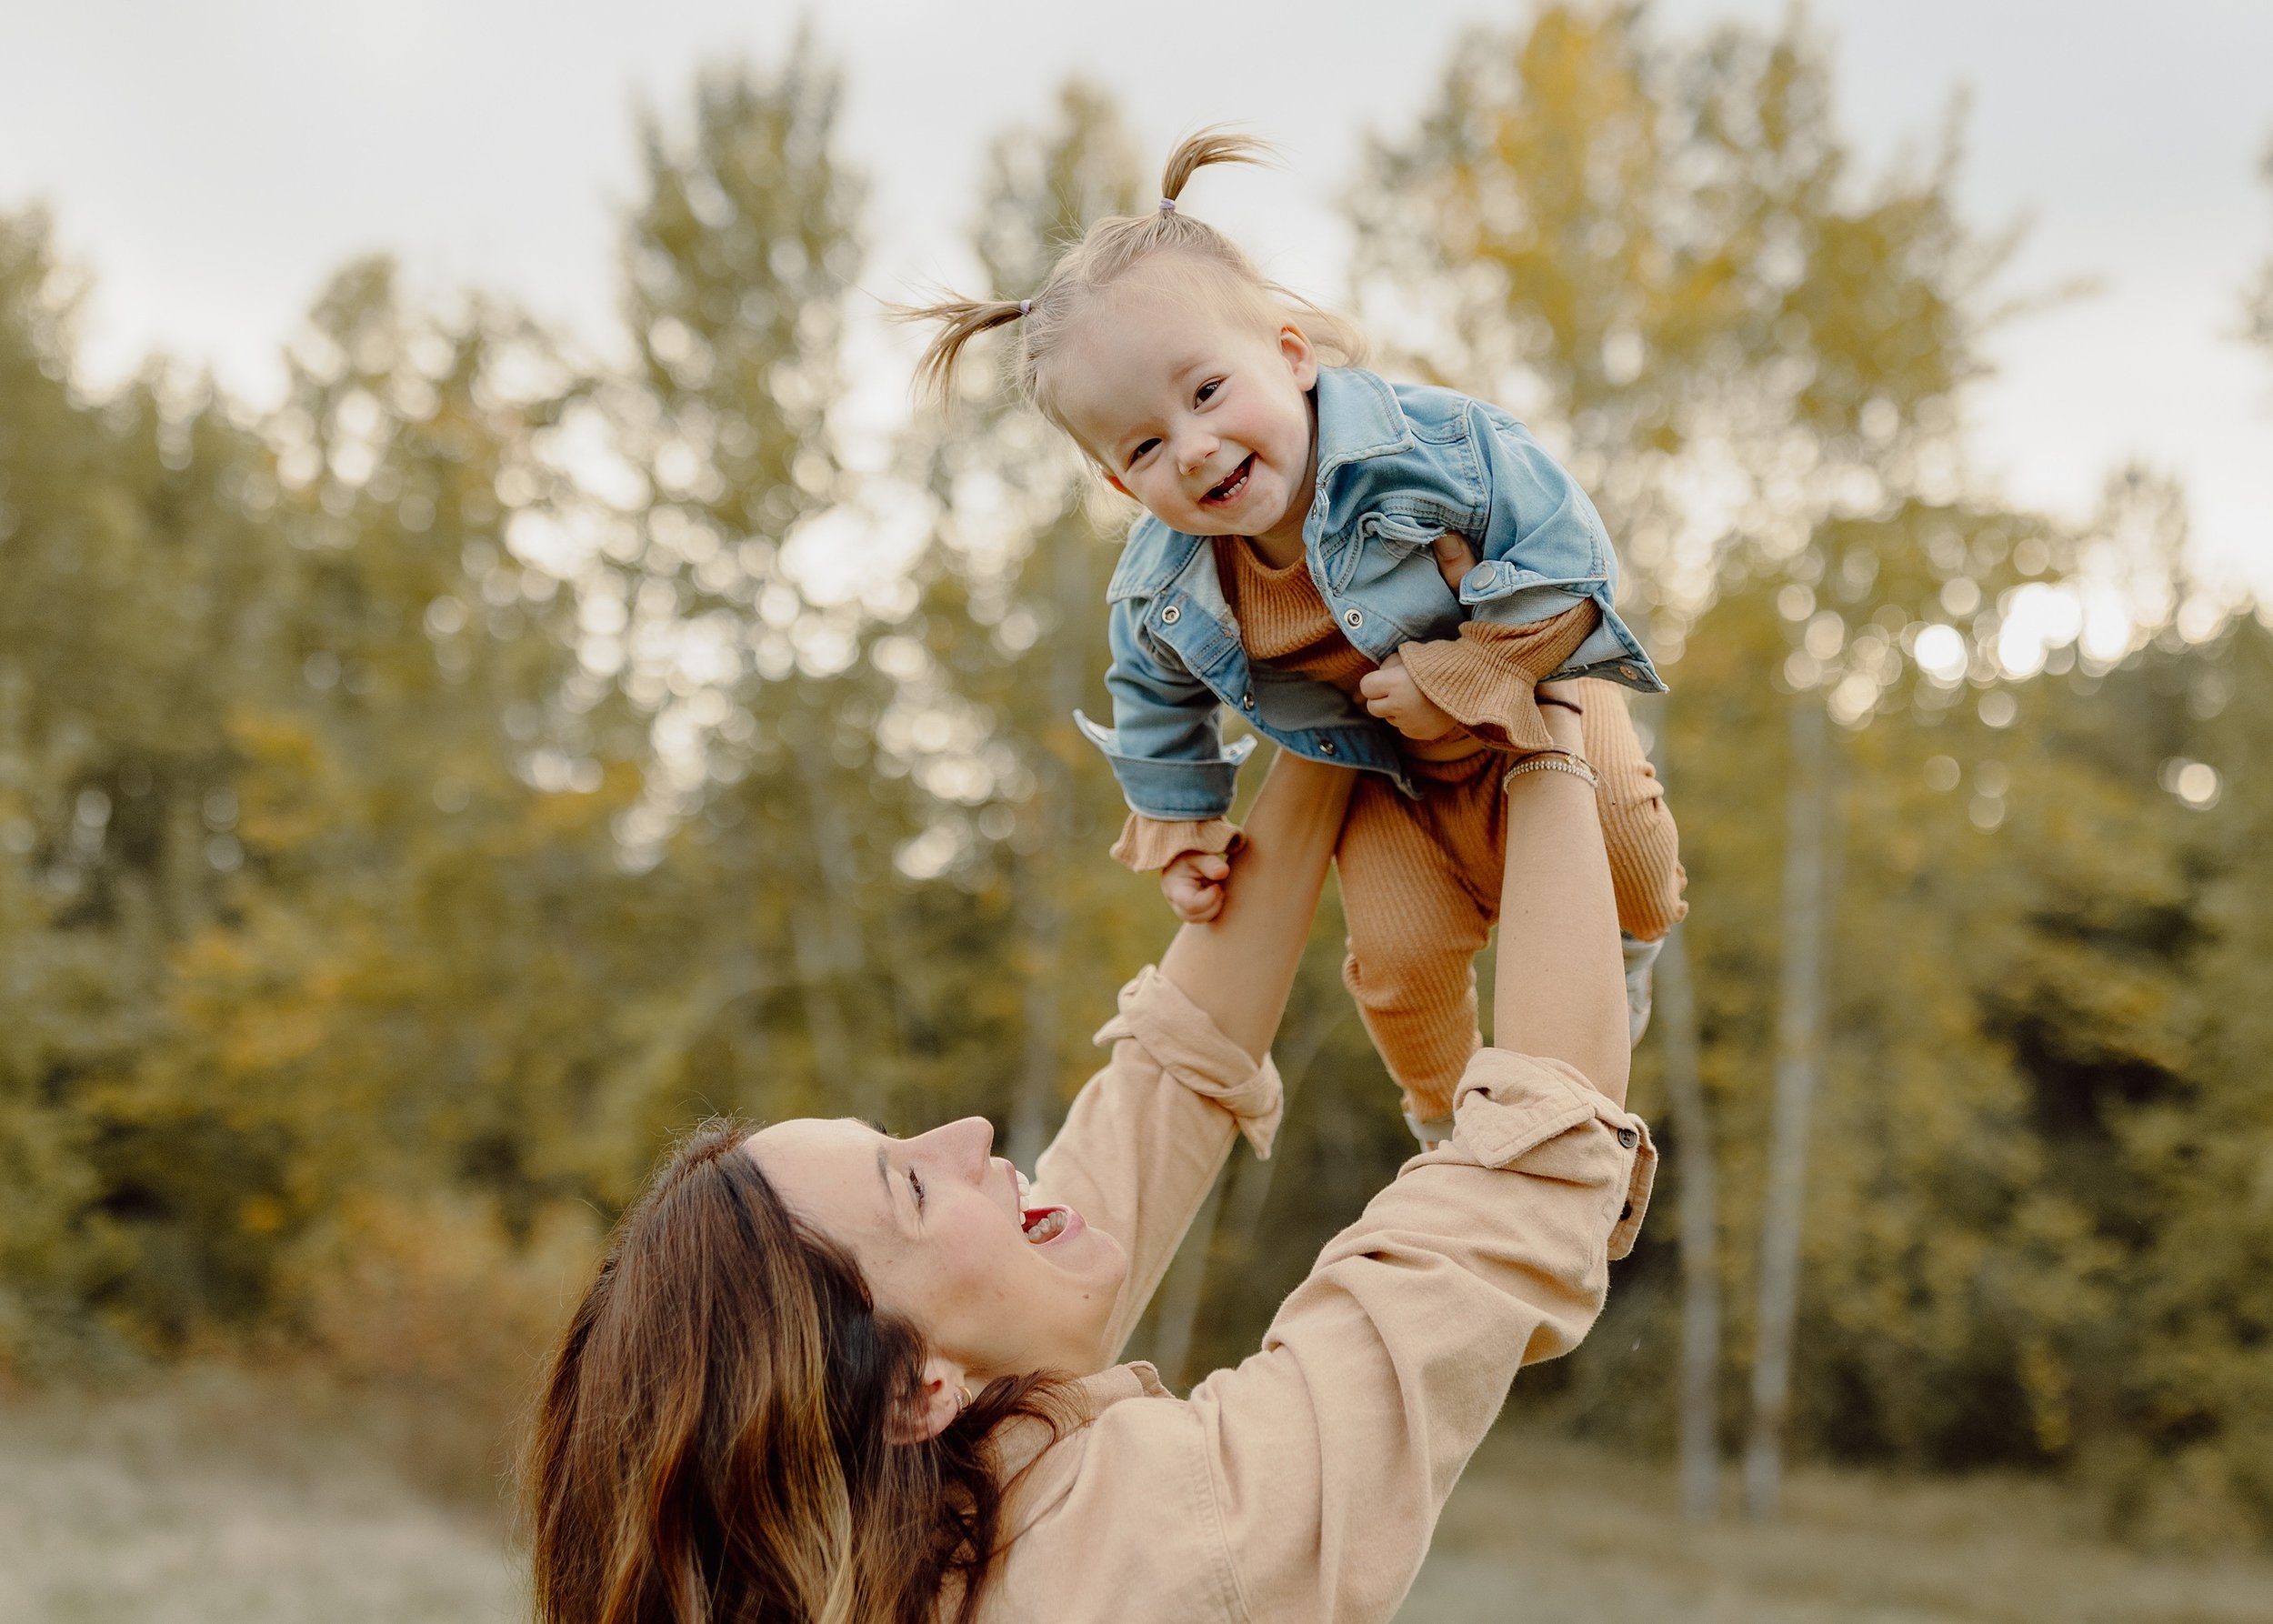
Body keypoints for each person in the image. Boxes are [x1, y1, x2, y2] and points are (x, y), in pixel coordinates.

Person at [525, 665, 1656, 1624]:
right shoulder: (1146, 1562)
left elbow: (1174, 1069)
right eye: (912, 1186)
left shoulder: (941, 1481)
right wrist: (1540, 712)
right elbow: (1527, 1169)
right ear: (913, 1394)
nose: (968, 1133)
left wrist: (1320, 680)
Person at [896, 131, 1685, 1146]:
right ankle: (1451, 1130)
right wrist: (1184, 827)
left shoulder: (1435, 448)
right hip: (1386, 775)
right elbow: (1152, 700)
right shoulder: (1164, 587)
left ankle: (1619, 956)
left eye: (1206, 391)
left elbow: (1568, 554)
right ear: (1116, 484)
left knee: (1631, 854)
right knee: (1396, 967)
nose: (1193, 446)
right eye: (1143, 444)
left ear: (1288, 352)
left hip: (1533, 705)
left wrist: (1463, 667)